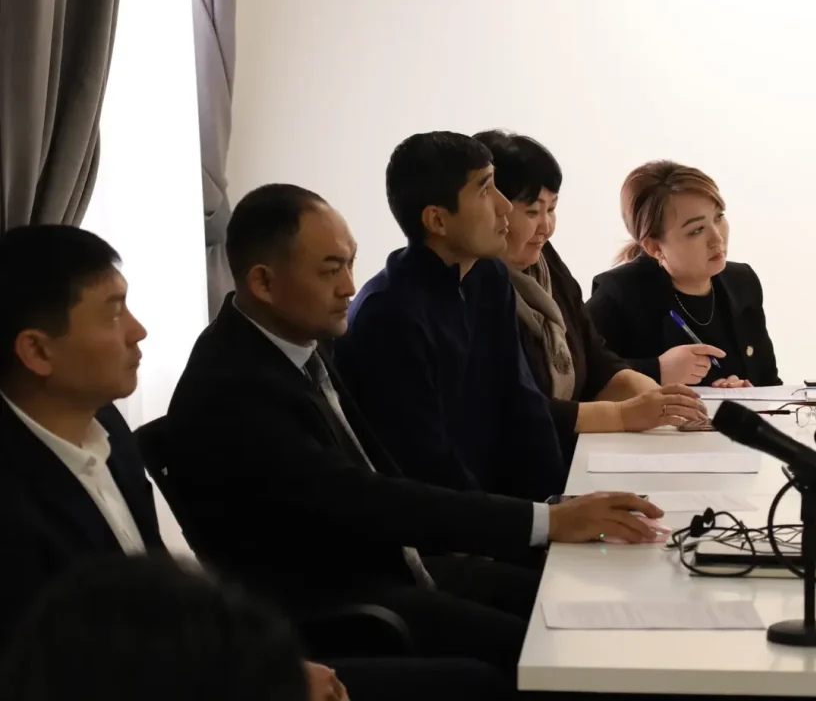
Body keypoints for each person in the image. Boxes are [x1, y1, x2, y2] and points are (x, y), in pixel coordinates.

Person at [164, 183, 663, 684]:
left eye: (350, 264)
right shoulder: (234, 388)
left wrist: (548, 519)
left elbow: (382, 475)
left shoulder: (294, 338)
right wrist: (547, 520)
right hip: (337, 600)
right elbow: (367, 499)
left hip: (391, 561)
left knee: (580, 595)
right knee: (539, 649)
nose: (349, 286)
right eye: (331, 270)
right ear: (264, 282)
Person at [337, 131, 572, 496]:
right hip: (446, 518)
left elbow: (523, 406)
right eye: (485, 190)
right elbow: (427, 469)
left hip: (505, 509)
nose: (504, 206)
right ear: (438, 221)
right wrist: (534, 522)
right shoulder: (388, 314)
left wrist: (559, 505)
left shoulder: (489, 276)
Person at [0, 553, 514, 701]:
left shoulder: (105, 436)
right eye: (111, 326)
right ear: (37, 350)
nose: (138, 334)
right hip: (303, 611)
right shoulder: (233, 384)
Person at [472, 131, 706, 447]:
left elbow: (596, 359)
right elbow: (512, 412)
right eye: (532, 212)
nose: (546, 228)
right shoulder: (472, 288)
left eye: (551, 209)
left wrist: (660, 397)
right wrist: (623, 415)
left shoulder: (544, 260)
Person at [0, 225, 165, 645]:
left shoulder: (106, 423)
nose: (138, 331)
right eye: (114, 313)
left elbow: (163, 593)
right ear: (38, 351)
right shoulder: (12, 509)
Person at [587, 161, 780, 387]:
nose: (717, 238)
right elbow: (577, 378)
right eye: (696, 230)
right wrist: (657, 371)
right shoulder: (617, 294)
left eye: (718, 217)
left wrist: (745, 395)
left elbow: (769, 383)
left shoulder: (742, 282)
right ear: (654, 247)